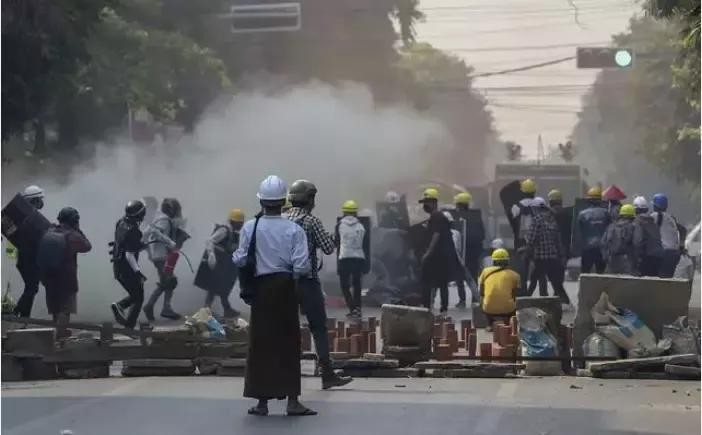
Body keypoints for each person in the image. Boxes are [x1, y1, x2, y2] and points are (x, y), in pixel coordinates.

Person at [232, 175, 315, 417]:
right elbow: (302, 266)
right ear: (283, 202)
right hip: (286, 287)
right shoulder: (294, 229)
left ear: (261, 202)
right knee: (289, 343)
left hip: (261, 289)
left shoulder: (250, 227)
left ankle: (262, 402)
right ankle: (292, 401)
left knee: (261, 344)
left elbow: (240, 259)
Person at [286, 179, 353, 390]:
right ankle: (327, 373)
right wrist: (336, 235)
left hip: (284, 282)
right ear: (310, 199)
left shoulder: (281, 219)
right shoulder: (311, 221)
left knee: (286, 328)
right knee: (318, 327)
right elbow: (328, 248)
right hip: (307, 282)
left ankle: (285, 373)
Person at [39, 207, 92, 338]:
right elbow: (87, 246)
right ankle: (60, 336)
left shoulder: (49, 230)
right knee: (65, 309)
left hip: (48, 277)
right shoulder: (72, 235)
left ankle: (56, 334)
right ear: (74, 220)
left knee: (55, 309)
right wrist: (78, 229)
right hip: (66, 279)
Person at [418, 188, 461, 315]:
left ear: (433, 202)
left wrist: (427, 253)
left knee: (427, 281)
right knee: (442, 283)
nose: (425, 205)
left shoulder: (437, 216)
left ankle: (428, 307)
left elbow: (436, 235)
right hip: (441, 256)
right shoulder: (436, 217)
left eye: (426, 202)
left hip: (437, 257)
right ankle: (442, 308)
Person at [143, 198, 187, 321]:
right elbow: (155, 232)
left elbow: (148, 233)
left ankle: (155, 306)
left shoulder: (160, 218)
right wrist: (170, 242)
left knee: (166, 282)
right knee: (170, 281)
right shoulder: (164, 220)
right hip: (160, 256)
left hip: (159, 255)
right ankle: (160, 308)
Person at [525, 197, 572, 310]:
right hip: (553, 257)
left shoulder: (536, 220)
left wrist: (525, 251)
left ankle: (524, 302)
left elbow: (531, 239)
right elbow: (557, 240)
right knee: (556, 283)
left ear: (535, 208)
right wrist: (561, 255)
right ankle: (567, 302)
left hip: (541, 257)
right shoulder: (551, 219)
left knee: (533, 280)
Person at [201, 209, 245, 318]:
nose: (241, 225)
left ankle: (226, 309)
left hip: (222, 263)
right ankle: (206, 311)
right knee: (213, 288)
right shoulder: (224, 230)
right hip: (215, 262)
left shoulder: (232, 231)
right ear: (233, 222)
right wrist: (211, 254)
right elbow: (210, 241)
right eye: (240, 223)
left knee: (222, 287)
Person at [110, 200, 147, 329]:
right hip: (127, 268)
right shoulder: (134, 231)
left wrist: (140, 245)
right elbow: (129, 255)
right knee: (139, 297)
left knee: (136, 295)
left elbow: (123, 243)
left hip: (117, 266)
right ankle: (121, 309)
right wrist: (138, 272)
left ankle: (126, 321)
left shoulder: (121, 222)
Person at [12, 185, 46, 317]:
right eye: (40, 199)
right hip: (29, 260)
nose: (42, 202)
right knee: (32, 288)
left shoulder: (26, 217)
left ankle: (22, 315)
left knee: (31, 288)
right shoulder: (32, 218)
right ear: (35, 200)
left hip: (24, 259)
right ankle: (19, 314)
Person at [453, 191, 485, 308]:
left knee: (459, 277)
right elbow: (482, 234)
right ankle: (475, 300)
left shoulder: (457, 218)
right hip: (474, 252)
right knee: (472, 276)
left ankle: (462, 300)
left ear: (460, 205)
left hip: (461, 252)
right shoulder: (476, 216)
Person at [336, 200, 366, 319]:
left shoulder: (339, 225)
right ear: (355, 212)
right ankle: (358, 308)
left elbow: (337, 242)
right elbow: (365, 244)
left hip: (344, 258)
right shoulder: (361, 226)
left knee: (344, 285)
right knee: (357, 284)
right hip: (358, 258)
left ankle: (352, 308)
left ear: (344, 212)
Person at [479, 248, 520, 330]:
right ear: (507, 261)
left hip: (488, 308)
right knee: (513, 304)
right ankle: (508, 323)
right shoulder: (515, 275)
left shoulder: (485, 272)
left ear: (493, 261)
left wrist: (483, 300)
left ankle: (490, 324)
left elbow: (481, 291)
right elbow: (515, 294)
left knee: (483, 301)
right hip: (508, 309)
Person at [511, 178, 537, 294]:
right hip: (537, 241)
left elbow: (513, 222)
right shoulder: (540, 204)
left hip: (521, 241)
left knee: (522, 268)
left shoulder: (516, 206)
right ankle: (543, 293)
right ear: (534, 191)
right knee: (540, 268)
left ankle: (523, 292)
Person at [577, 186, 610, 274]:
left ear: (589, 200)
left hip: (587, 247)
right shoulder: (606, 213)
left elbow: (579, 232)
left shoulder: (582, 214)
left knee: (585, 273)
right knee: (601, 274)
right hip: (601, 248)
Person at [650, 193, 682, 278]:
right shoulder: (671, 218)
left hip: (664, 253)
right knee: (667, 279)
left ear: (655, 206)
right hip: (675, 253)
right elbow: (683, 230)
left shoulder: (655, 216)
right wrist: (682, 246)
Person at [632, 196, 663, 277]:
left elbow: (637, 241)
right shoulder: (653, 222)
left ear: (635, 210)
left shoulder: (638, 222)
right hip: (658, 258)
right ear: (646, 209)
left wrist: (636, 258)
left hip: (645, 257)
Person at [601, 203, 637, 274]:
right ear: (632, 216)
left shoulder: (611, 226)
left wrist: (606, 258)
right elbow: (637, 243)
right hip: (627, 261)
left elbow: (603, 242)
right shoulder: (633, 227)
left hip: (611, 260)